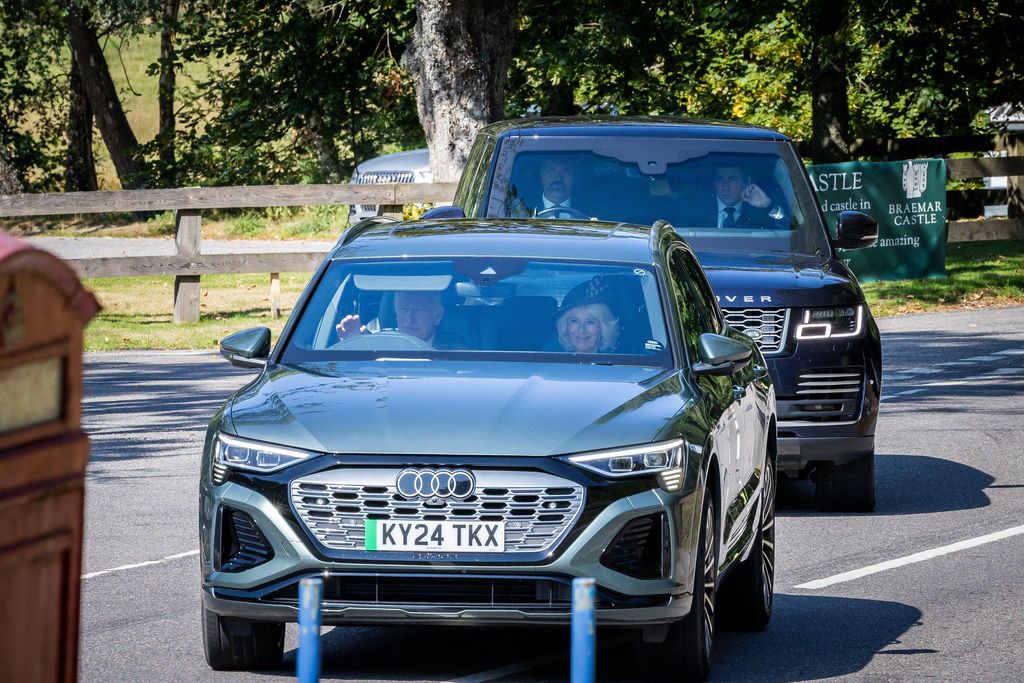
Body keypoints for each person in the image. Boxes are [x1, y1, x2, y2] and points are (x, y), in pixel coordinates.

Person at [336, 291, 465, 349]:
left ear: (437, 316)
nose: (409, 318)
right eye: (403, 309)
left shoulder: (456, 352)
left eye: (417, 310)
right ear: (395, 312)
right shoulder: (377, 348)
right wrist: (356, 345)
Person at [689, 163, 787, 229]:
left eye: (732, 179)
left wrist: (769, 206)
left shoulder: (759, 212)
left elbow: (789, 233)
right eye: (719, 179)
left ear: (746, 182)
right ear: (714, 182)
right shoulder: (695, 209)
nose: (725, 186)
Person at [554, 276, 622, 353]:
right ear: (565, 326)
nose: (581, 330)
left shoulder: (620, 363)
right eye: (574, 321)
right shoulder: (548, 362)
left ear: (604, 328)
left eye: (590, 322)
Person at [508, 157, 590, 219]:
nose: (558, 177)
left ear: (574, 177)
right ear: (541, 174)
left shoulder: (592, 210)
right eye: (551, 170)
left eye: (566, 171)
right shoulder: (520, 209)